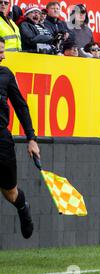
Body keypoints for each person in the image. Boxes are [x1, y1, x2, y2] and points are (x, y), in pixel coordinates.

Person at [0, 36, 40, 239]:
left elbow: (21, 107)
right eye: (0, 52)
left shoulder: (6, 75)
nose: (3, 56)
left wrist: (31, 138)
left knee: (10, 193)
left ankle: (22, 206)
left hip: (2, 142)